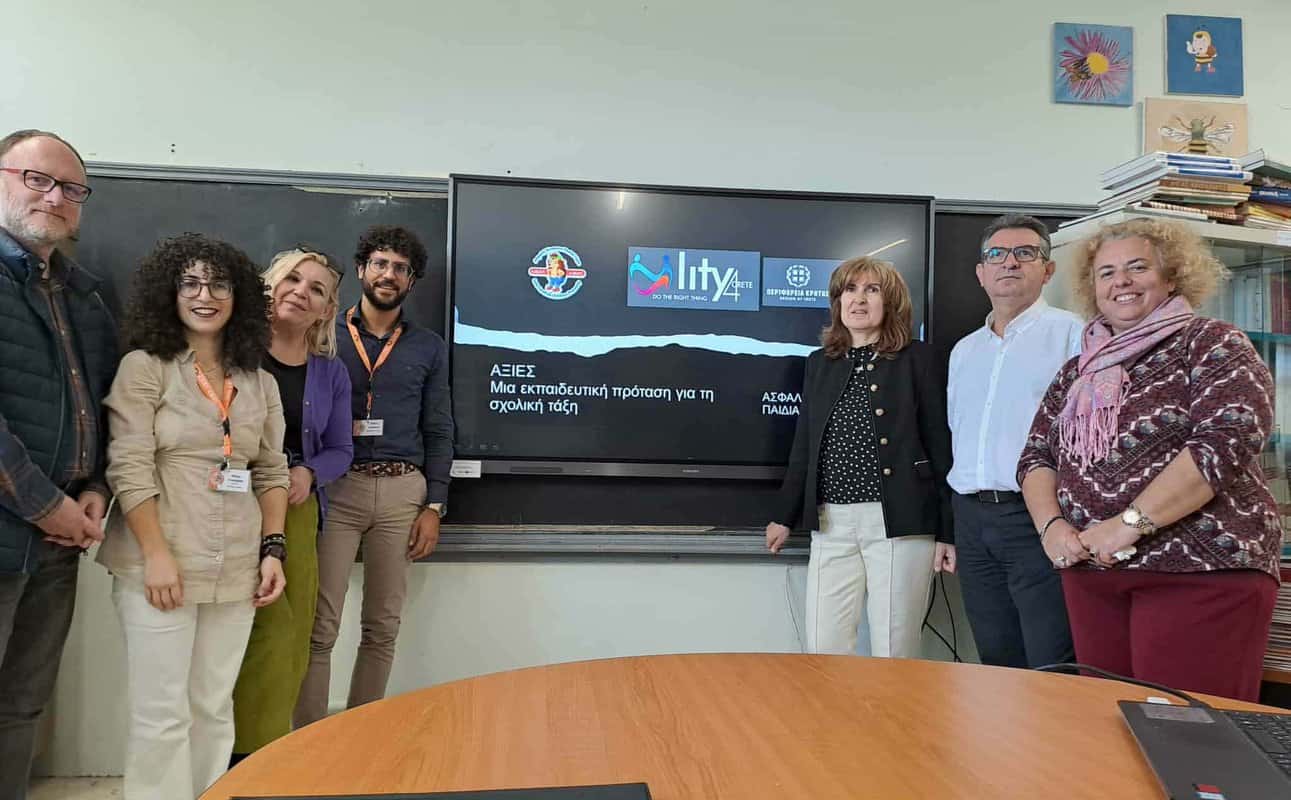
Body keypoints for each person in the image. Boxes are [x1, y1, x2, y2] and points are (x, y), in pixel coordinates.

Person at [1018, 218, 1281, 702]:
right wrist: (1052, 528)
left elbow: (1224, 442)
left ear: (1172, 276)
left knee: (1188, 731)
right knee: (1105, 726)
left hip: (1199, 573)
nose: (1121, 281)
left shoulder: (1212, 343)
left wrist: (1129, 525)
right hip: (1094, 575)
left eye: (1138, 267)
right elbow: (1036, 455)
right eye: (1107, 272)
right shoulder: (1077, 370)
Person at [98, 234, 290, 798]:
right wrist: (156, 556)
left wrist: (273, 550)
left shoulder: (259, 381)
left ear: (239, 297)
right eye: (190, 283)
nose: (205, 296)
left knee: (213, 706)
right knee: (161, 715)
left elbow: (272, 471)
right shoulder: (144, 368)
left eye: (219, 284)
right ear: (170, 293)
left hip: (237, 567)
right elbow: (129, 466)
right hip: (162, 566)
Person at [294, 225, 453, 726]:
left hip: (404, 490)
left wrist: (435, 504)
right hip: (337, 488)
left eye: (401, 269)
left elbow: (439, 427)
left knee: (382, 627)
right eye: (381, 264)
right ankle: (309, 740)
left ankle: (363, 737)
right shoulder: (324, 334)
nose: (389, 275)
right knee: (319, 625)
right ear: (362, 269)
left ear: (411, 281)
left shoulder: (428, 347)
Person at [0, 130, 118, 798]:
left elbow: (101, 403)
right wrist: (47, 505)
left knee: (23, 705)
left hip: (59, 540)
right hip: (15, 527)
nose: (55, 197)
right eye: (36, 179)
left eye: (72, 188)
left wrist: (95, 485)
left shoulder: (85, 298)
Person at [766, 256, 954, 657]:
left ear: (891, 301)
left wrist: (947, 532)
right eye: (849, 290)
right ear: (838, 302)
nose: (859, 299)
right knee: (823, 645)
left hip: (901, 522)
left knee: (894, 649)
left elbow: (941, 444)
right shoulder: (820, 363)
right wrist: (784, 515)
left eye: (872, 290)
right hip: (831, 522)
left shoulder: (920, 359)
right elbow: (805, 444)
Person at [230, 247, 353, 761]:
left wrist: (309, 471)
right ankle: (220, 754)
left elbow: (342, 448)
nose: (302, 292)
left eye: (317, 289)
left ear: (326, 311)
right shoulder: (230, 353)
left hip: (297, 512)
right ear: (270, 286)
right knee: (231, 631)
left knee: (289, 634)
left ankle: (260, 756)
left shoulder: (331, 373)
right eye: (293, 279)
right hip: (229, 504)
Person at [947, 214, 1082, 669]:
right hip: (971, 521)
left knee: (1050, 660)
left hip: (1037, 518)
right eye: (997, 254)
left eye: (1025, 253)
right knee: (995, 656)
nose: (1010, 263)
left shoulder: (1073, 335)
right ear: (981, 272)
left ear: (1048, 269)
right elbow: (956, 433)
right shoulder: (964, 351)